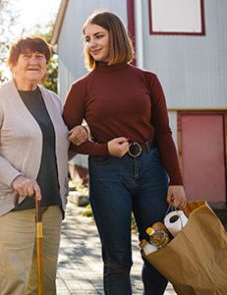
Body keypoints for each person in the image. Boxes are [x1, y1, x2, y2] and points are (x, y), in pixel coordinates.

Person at [62, 11, 187, 295]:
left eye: (98, 36)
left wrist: (177, 181)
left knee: (158, 253)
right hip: (108, 175)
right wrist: (101, 148)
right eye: (87, 39)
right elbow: (66, 140)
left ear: (115, 35)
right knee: (117, 260)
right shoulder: (81, 88)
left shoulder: (147, 80)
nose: (91, 43)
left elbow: (164, 132)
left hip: (153, 171)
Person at [0, 35, 87, 294]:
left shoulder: (53, 100)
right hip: (13, 205)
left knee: (44, 284)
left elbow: (55, 151)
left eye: (40, 56)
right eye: (27, 56)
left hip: (51, 206)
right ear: (13, 64)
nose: (34, 61)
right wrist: (16, 179)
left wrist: (78, 137)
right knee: (15, 285)